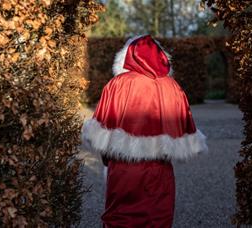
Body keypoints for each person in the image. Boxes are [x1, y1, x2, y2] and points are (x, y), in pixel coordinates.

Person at [81, 35, 208, 228]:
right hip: (160, 171)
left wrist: (109, 161)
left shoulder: (117, 84)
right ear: (162, 57)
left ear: (128, 56)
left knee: (119, 219)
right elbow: (186, 129)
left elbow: (101, 128)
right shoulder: (172, 87)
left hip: (122, 170)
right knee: (158, 219)